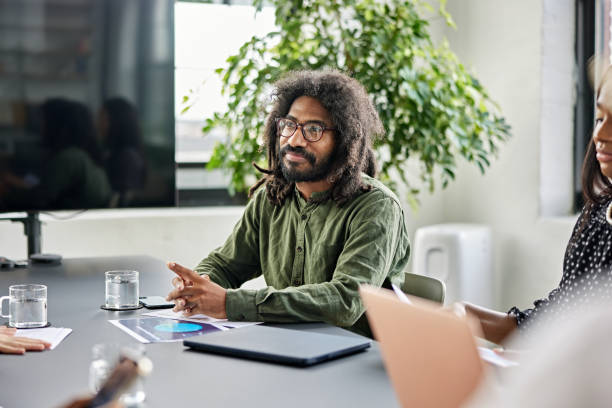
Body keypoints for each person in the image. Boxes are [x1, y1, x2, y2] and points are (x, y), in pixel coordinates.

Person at [166, 69, 411, 337]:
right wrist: (197, 286)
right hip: (287, 348)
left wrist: (229, 303)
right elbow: (226, 265)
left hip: (357, 362)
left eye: (313, 130)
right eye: (289, 125)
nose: (294, 140)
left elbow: (345, 301)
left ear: (343, 140)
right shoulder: (272, 198)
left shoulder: (376, 207)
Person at [457, 65, 612, 345]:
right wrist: (466, 317)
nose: (600, 135)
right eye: (600, 117)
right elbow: (557, 317)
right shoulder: (597, 216)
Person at [0, 98, 112, 210]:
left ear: (57, 124)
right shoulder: (81, 156)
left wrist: (6, 194)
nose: (41, 126)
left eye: (44, 121)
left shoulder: (70, 158)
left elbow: (40, 198)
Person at [98, 97, 146, 207]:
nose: (98, 123)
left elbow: (121, 200)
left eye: (102, 118)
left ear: (116, 121)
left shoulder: (128, 157)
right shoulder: (112, 152)